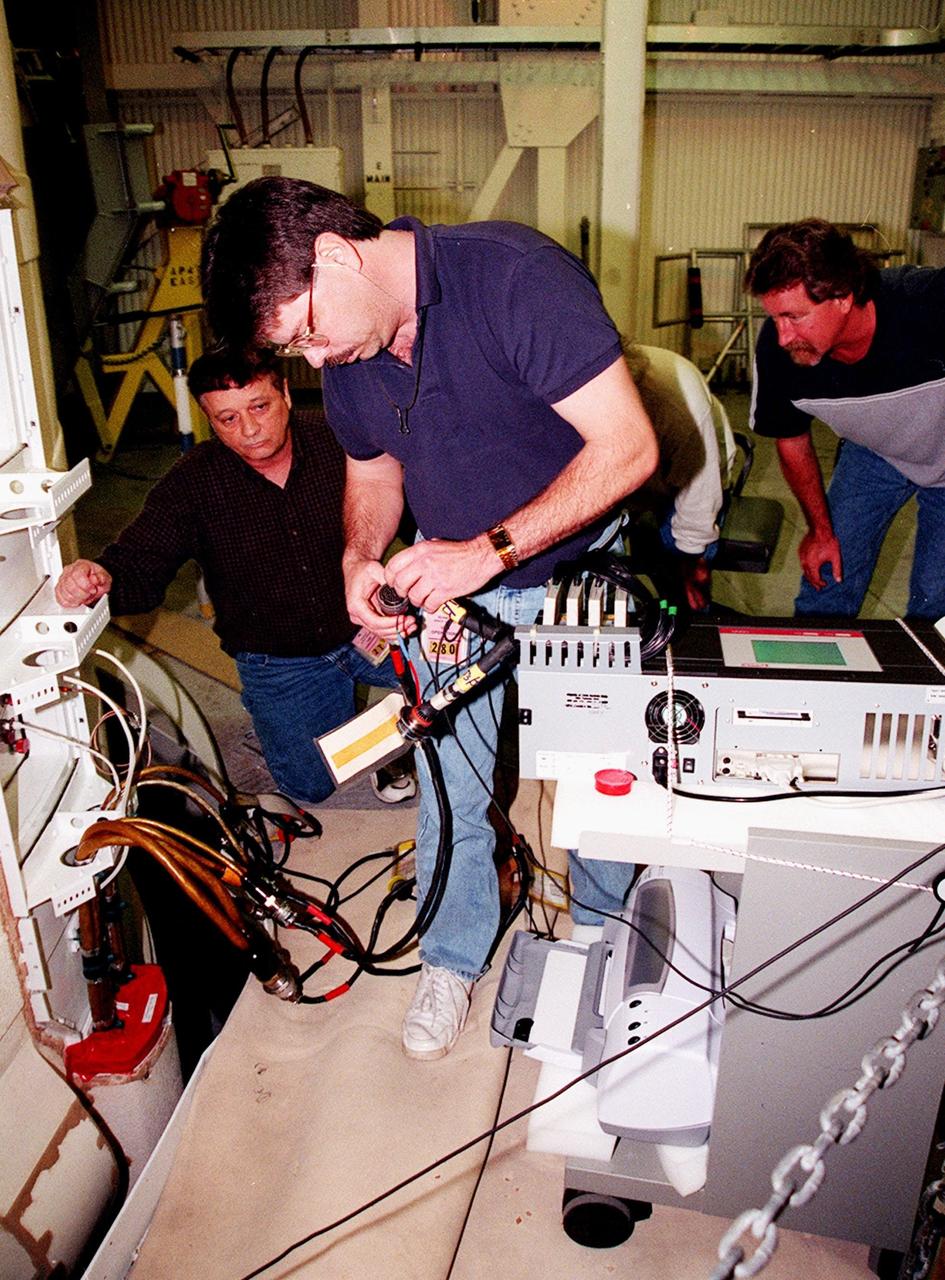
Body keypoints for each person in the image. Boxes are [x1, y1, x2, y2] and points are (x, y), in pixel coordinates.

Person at [200, 178, 659, 1060]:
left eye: (305, 332)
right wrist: (357, 556)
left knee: (599, 775)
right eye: (293, 350)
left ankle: (608, 938)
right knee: (450, 783)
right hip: (453, 586)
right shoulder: (352, 349)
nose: (314, 360)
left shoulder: (514, 276)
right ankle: (450, 957)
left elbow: (628, 447)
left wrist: (487, 552)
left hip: (573, 576)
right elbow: (374, 472)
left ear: (334, 256)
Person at [55, 346, 415, 807]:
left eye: (259, 407)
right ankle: (292, 718)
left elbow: (414, 510)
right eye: (227, 418)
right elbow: (140, 561)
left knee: (461, 670)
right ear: (209, 420)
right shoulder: (193, 483)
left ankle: (395, 742)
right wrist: (99, 576)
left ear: (285, 394)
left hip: (368, 624)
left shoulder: (340, 442)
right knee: (310, 786)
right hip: (280, 659)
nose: (248, 429)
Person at [744, 217, 945, 620]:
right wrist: (820, 531)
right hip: (877, 452)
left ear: (842, 296)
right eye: (775, 318)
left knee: (935, 602)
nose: (783, 337)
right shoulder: (777, 353)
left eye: (794, 317)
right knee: (826, 582)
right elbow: (791, 440)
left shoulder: (928, 303)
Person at [622, 343, 731, 612]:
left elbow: (700, 493)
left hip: (695, 474)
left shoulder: (682, 410)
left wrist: (692, 557)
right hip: (636, 467)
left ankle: (689, 625)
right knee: (645, 566)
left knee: (682, 587)